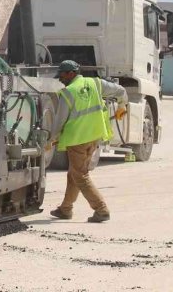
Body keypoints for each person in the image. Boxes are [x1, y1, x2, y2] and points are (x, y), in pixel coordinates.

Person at [49, 59, 127, 223]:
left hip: (77, 139)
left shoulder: (68, 92)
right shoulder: (96, 83)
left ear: (71, 73)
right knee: (74, 173)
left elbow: (60, 120)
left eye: (62, 75)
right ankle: (65, 209)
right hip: (94, 136)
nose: (60, 79)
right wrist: (122, 106)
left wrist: (50, 139)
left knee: (80, 175)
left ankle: (101, 209)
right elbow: (120, 91)